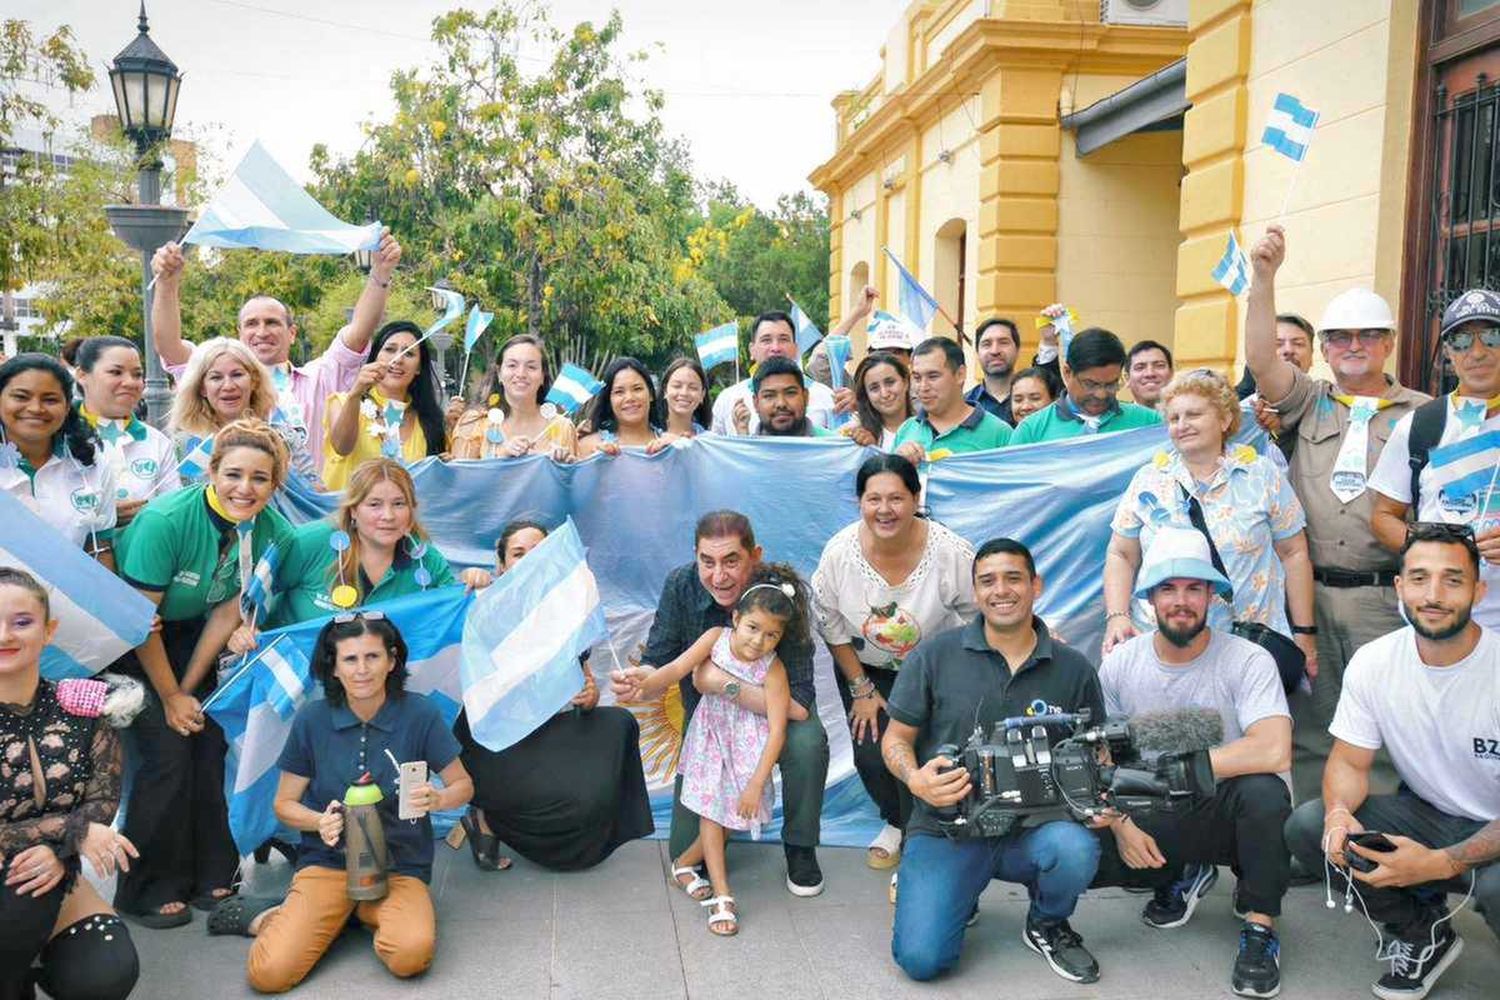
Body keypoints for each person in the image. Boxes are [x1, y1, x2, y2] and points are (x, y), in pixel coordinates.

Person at [1246, 227, 1428, 807]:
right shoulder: (1307, 400)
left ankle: (1375, 844)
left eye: (1369, 336)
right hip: (1311, 593)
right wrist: (1265, 279)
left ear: (1389, 344)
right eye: (1341, 337)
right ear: (1323, 349)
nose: (1355, 345)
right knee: (1312, 724)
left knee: (1387, 723)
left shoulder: (1426, 414)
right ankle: (1309, 842)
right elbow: (1259, 360)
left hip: (1386, 596)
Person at [1284, 523, 1500, 1000]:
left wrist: (1440, 864)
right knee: (1310, 826)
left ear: (1478, 590)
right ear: (1399, 587)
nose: (1434, 595)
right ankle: (1423, 934)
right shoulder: (1375, 661)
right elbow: (1347, 764)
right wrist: (1340, 814)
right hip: (1429, 813)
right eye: (1419, 578)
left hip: (1494, 829)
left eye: (1453, 579)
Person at [883, 538, 1107, 984]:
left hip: (1035, 828)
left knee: (1075, 848)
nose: (1000, 590)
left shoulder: (1073, 668)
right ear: (975, 591)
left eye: (1013, 578)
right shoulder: (934, 655)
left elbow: (1096, 752)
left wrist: (1105, 804)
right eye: (987, 581)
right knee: (922, 961)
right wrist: (916, 780)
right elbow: (895, 739)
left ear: (1035, 585)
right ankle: (958, 895)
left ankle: (1047, 922)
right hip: (949, 828)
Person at [111, 419, 294, 928]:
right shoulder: (165, 520)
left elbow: (224, 614)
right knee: (165, 755)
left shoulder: (272, 532)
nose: (245, 488)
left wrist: (188, 693)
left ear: (275, 484)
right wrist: (168, 697)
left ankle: (214, 871)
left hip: (195, 639)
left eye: (260, 479)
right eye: (233, 474)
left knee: (210, 741)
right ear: (210, 471)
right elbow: (136, 624)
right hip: (134, 640)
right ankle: (144, 886)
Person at [1098, 528, 1293, 999]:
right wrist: (1121, 822)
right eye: (1168, 588)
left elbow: (1273, 749)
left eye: (1193, 588)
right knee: (1078, 846)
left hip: (1226, 803)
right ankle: (1180, 872)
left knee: (1265, 791)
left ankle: (1260, 927)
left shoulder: (1249, 660)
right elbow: (1102, 756)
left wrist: (1187, 767)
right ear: (1148, 599)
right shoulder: (1121, 663)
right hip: (1155, 800)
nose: (1180, 601)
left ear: (1212, 596)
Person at [233, 614, 473, 991]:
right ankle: (268, 916)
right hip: (328, 865)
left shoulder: (419, 712)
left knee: (411, 955)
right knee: (268, 974)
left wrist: (439, 797)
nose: (362, 670)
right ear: (333, 667)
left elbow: (464, 786)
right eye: (350, 659)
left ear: (392, 661)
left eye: (372, 657)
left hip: (399, 866)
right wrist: (317, 822)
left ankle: (351, 915)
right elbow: (284, 804)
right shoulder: (313, 719)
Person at [609, 511, 830, 897]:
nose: (718, 576)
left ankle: (800, 844)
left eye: (731, 561)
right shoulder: (682, 585)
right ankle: (717, 829)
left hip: (772, 716)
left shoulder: (781, 598)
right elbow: (662, 659)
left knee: (808, 742)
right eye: (706, 562)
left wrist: (721, 683)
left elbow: (798, 703)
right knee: (684, 853)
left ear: (754, 555)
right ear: (695, 556)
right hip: (710, 724)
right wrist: (641, 680)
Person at [453, 518, 652, 872]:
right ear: (501, 565)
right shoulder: (482, 606)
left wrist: (589, 694)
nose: (530, 560)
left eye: (541, 551)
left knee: (618, 723)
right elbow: (453, 616)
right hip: (495, 738)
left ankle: (571, 831)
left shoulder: (565, 613)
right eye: (518, 554)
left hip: (547, 729)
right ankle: (487, 819)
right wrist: (468, 580)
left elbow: (584, 685)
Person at [811, 454, 976, 879]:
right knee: (871, 756)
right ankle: (897, 822)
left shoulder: (951, 553)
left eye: (896, 498)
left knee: (927, 751)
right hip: (865, 670)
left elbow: (981, 614)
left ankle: (926, 839)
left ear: (916, 497)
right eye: (873, 499)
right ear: (859, 502)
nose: (885, 510)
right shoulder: (839, 554)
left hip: (935, 669)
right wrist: (862, 689)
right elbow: (830, 623)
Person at [1102, 369, 1317, 677]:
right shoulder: (1148, 480)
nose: (1182, 425)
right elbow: (1121, 554)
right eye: (1174, 418)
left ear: (1225, 419)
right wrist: (1117, 616)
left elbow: (1294, 554)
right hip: (1161, 647)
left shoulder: (1262, 475)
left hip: (1246, 650)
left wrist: (1304, 633)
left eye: (1193, 414)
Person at [149, 231, 402, 474]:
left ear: (292, 333)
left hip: (302, 511)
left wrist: (380, 273)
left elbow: (359, 331)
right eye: (251, 323)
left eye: (272, 323)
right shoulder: (214, 373)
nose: (261, 332)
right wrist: (166, 283)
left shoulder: (319, 378)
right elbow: (168, 345)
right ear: (239, 333)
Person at [0, 568, 141, 1000]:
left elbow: (102, 801)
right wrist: (71, 833)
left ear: (49, 631)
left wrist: (60, 854)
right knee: (24, 900)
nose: (5, 635)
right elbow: (86, 826)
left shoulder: (81, 707)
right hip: (20, 883)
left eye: (22, 622)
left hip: (54, 878)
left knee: (105, 971)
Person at [655, 565, 804, 935]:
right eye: (753, 628)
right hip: (710, 741)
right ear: (736, 618)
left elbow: (778, 730)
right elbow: (675, 668)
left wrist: (756, 782)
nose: (758, 641)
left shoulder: (773, 669)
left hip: (748, 749)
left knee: (733, 816)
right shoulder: (714, 639)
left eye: (771, 635)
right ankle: (722, 896)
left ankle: (683, 865)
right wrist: (644, 682)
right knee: (712, 812)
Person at [1370, 288, 1500, 635]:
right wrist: (1432, 549)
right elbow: (1384, 517)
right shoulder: (1421, 425)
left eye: (1492, 336)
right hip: (1433, 622)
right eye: (1460, 341)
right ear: (1447, 353)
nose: (1477, 352)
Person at [0, 354, 116, 561]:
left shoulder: (90, 461)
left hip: (68, 592)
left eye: (50, 399)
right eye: (21, 397)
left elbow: (100, 547)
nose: (36, 408)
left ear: (67, 405)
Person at [167, 337, 314, 484]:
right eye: (216, 378)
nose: (228, 386)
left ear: (254, 380)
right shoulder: (184, 445)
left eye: (237, 375)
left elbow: (316, 492)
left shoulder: (282, 437)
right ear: (202, 388)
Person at [323, 320, 449, 491]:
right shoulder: (342, 402)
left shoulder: (430, 422)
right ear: (375, 357)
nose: (398, 359)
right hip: (347, 516)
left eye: (409, 353)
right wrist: (356, 393)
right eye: (390, 350)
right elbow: (342, 447)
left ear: (419, 368)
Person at [74, 336, 180, 525]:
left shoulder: (156, 441)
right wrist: (105, 515)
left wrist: (149, 513)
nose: (130, 382)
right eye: (116, 372)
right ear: (82, 376)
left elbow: (174, 509)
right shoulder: (57, 437)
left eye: (137, 374)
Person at [1009, 328, 1162, 444]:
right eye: (1090, 384)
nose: (1101, 394)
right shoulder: (1031, 431)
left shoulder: (1149, 422)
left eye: (1111, 385)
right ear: (1067, 373)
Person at [449, 333, 577, 461]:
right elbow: (460, 477)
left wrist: (566, 467)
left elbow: (574, 478)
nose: (521, 374)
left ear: (543, 375)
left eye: (531, 367)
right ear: (499, 373)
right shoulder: (474, 423)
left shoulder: (563, 427)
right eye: (512, 365)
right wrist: (501, 456)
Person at [711, 311, 837, 435]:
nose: (775, 348)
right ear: (752, 350)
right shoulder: (727, 400)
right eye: (766, 340)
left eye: (783, 339)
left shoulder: (827, 397)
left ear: (796, 348)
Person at [894, 338, 1012, 463]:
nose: (923, 387)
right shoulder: (907, 429)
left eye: (933, 376)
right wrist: (898, 464)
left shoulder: (999, 434)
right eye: (917, 378)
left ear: (960, 375)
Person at [578, 357, 678, 457]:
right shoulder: (590, 447)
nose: (630, 398)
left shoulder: (672, 445)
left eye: (637, 389)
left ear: (651, 394)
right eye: (619, 392)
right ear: (609, 400)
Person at [751, 357, 841, 438]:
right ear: (756, 403)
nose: (781, 403)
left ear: (806, 397)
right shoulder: (745, 452)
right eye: (769, 396)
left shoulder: (835, 447)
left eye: (790, 393)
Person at [842, 352, 914, 450]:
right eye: (874, 388)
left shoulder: (929, 426)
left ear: (905, 382)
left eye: (890, 382)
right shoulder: (855, 432)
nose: (884, 394)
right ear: (866, 395)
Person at [1236, 313, 1314, 400]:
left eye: (1298, 344)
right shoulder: (1234, 408)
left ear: (1311, 356)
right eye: (1277, 344)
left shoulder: (1325, 402)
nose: (1288, 350)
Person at [964, 317, 1022, 423]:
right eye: (986, 344)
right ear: (977, 352)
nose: (995, 351)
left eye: (1003, 342)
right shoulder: (965, 405)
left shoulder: (1033, 400)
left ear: (1017, 349)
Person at [657, 357, 712, 437]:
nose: (684, 393)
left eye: (693, 388)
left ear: (702, 395)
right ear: (665, 390)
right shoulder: (649, 437)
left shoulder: (710, 442)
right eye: (677, 386)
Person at [1126, 340, 1174, 409]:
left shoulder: (1187, 418)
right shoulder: (1115, 419)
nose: (1150, 373)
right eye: (1140, 367)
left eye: (1159, 366)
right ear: (1127, 379)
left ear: (1171, 374)